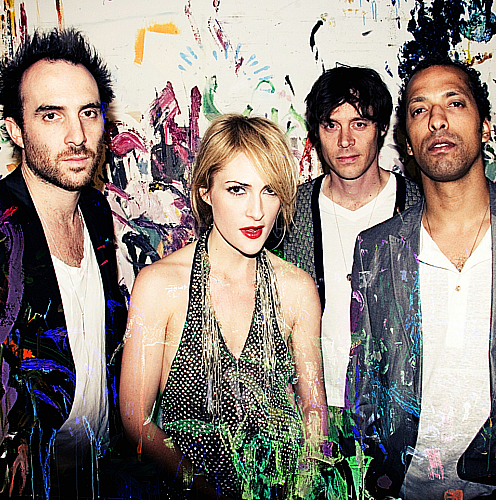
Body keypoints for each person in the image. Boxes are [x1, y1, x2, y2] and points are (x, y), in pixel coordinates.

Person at [120, 114, 329, 499]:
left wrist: (300, 489)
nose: (257, 211)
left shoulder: (296, 289)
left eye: (270, 191)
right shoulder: (160, 285)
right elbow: (136, 420)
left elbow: (315, 415)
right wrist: (203, 489)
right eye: (237, 189)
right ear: (205, 190)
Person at [347, 56, 496, 499]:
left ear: (485, 128)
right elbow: (365, 376)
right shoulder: (377, 248)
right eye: (419, 109)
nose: (436, 120)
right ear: (408, 145)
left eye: (455, 102)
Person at [0, 28, 127, 497]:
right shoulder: (0, 231)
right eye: (51, 115)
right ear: (15, 129)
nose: (77, 136)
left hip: (98, 474)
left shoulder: (96, 211)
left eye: (88, 113)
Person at [283, 66, 422, 408]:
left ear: (382, 128)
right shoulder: (289, 213)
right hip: (313, 408)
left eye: (359, 124)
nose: (344, 141)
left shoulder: (419, 205)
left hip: (398, 409)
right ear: (316, 133)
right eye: (331, 125)